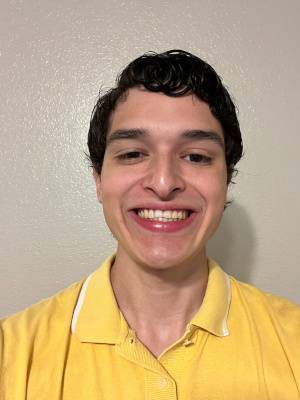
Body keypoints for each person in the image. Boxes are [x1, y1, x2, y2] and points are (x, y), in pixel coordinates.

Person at [0, 50, 299, 400]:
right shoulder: (12, 353)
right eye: (132, 154)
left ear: (227, 179)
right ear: (98, 179)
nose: (163, 182)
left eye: (196, 156)